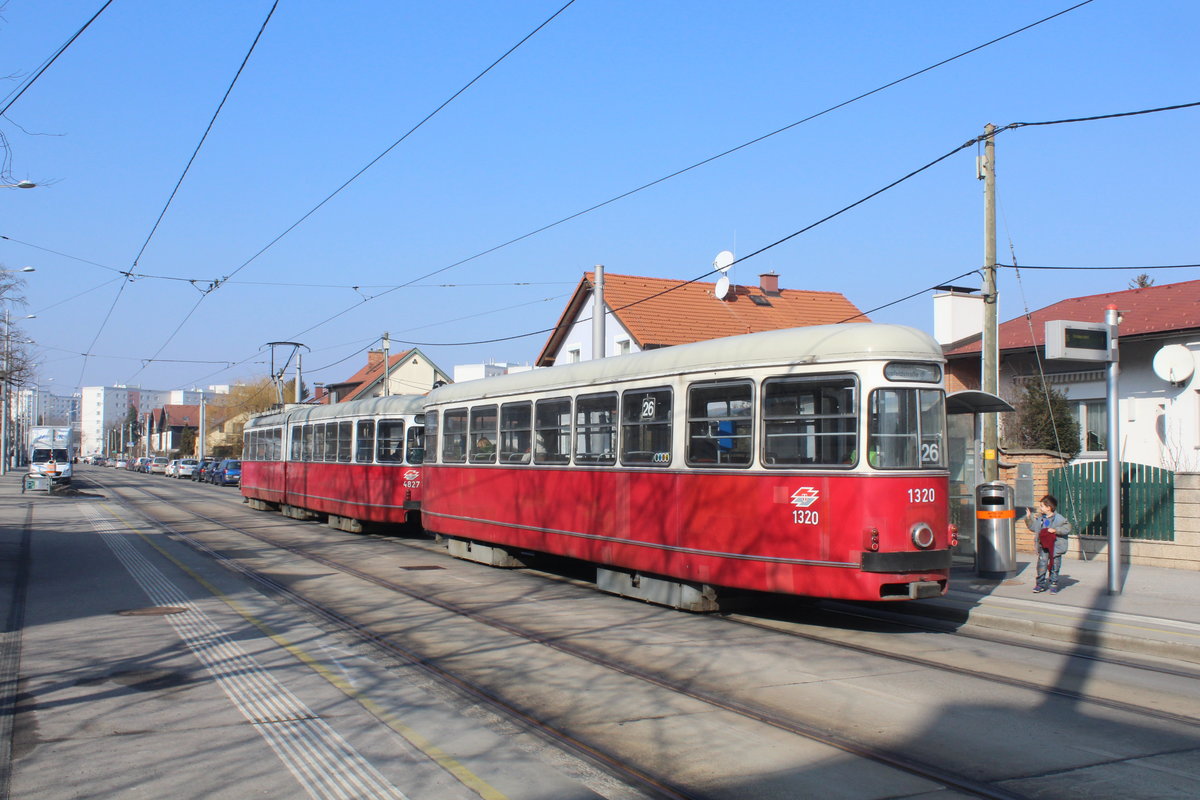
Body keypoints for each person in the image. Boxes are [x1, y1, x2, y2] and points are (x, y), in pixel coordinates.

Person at [1025, 494, 1073, 594]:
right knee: (1041, 565)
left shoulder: (1059, 519)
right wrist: (1029, 518)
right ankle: (1040, 584)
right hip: (1043, 546)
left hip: (1055, 546)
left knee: (1054, 566)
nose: (1040, 508)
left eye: (1042, 506)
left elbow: (1067, 528)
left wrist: (1055, 530)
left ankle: (1053, 584)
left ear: (1048, 507)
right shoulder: (1040, 519)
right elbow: (1033, 527)